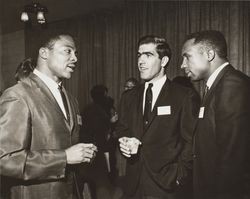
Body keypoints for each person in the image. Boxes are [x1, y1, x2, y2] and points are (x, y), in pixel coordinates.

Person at [0, 33, 97, 199]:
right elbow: (6, 159)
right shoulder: (18, 95)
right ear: (44, 53)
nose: (75, 58)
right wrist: (64, 157)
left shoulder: (71, 99)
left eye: (76, 53)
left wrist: (84, 153)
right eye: (68, 51)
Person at [116, 35, 199, 199]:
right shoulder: (129, 97)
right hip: (133, 186)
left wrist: (179, 176)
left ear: (164, 61)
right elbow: (121, 130)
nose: (141, 61)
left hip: (167, 187)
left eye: (148, 55)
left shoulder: (183, 95)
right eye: (139, 55)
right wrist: (124, 142)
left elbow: (191, 141)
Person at [181, 30, 250, 199]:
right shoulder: (216, 85)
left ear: (209, 54)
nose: (182, 65)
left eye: (187, 57)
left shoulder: (232, 85)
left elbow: (232, 159)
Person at [80, 85, 117, 199]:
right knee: (99, 183)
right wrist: (110, 122)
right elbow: (98, 131)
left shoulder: (88, 108)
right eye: (105, 94)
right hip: (97, 150)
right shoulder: (97, 110)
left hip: (92, 150)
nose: (107, 96)